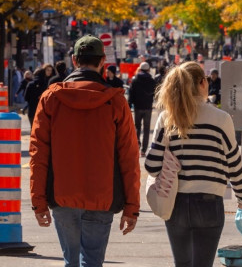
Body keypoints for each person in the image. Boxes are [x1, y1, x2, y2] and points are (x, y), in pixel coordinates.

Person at [30, 35, 140, 267]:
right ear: (102, 62)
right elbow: (129, 157)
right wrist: (132, 207)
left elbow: (38, 154)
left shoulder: (51, 99)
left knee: (71, 261)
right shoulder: (116, 102)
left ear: (74, 60)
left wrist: (38, 201)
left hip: (62, 194)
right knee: (92, 262)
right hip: (102, 195)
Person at [145, 62, 242, 267]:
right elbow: (234, 163)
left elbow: (151, 166)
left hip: (175, 202)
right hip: (209, 202)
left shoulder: (168, 118)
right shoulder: (221, 119)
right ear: (203, 83)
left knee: (182, 264)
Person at [128, 61, 156, 157]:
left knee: (137, 127)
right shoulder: (152, 81)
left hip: (138, 107)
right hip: (148, 107)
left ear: (140, 69)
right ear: (148, 70)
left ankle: (137, 144)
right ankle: (144, 150)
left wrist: (129, 104)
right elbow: (155, 93)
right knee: (147, 129)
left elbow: (131, 93)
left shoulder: (135, 80)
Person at [24, 64, 53, 128]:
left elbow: (26, 97)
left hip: (32, 110)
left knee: (33, 129)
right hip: (43, 110)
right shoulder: (47, 84)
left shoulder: (30, 84)